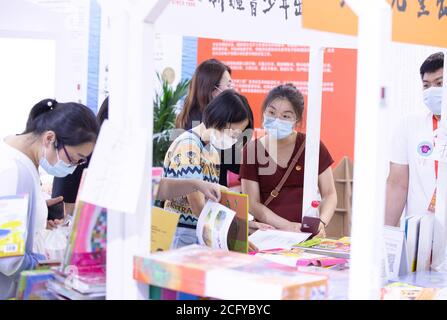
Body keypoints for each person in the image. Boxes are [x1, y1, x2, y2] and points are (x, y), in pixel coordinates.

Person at [0, 98, 99, 299]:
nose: (73, 168)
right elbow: (9, 259)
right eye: (74, 159)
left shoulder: (17, 155)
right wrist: (55, 266)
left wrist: (37, 212)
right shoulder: (16, 169)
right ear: (50, 139)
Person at [240, 84, 337, 236]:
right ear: (264, 112)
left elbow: (329, 194)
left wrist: (321, 223)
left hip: (308, 235)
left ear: (296, 119)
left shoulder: (312, 146)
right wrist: (288, 226)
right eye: (271, 112)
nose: (277, 120)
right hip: (269, 236)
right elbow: (252, 203)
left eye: (285, 116)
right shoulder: (252, 150)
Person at [164, 90, 253, 248]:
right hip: (182, 234)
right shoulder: (188, 146)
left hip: (200, 232)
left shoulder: (212, 151)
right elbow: (197, 204)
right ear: (219, 119)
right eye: (233, 134)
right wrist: (235, 233)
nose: (233, 140)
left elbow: (213, 195)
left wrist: (246, 223)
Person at [385, 52, 444, 226]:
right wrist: (386, 236)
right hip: (420, 232)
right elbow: (397, 184)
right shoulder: (409, 124)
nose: (432, 91)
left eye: (439, 84)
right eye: (426, 85)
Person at [175, 58, 252, 187]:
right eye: (228, 86)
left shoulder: (186, 117)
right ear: (211, 89)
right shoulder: (209, 129)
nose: (232, 91)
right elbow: (236, 163)